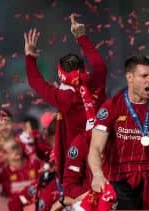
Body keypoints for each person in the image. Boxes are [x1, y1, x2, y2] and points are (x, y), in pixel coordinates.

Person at [88, 55, 149, 211]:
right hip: (120, 181)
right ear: (129, 77)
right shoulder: (112, 106)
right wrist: (98, 175)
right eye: (144, 76)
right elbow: (95, 147)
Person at [24, 14, 107, 178]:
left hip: (79, 164)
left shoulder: (63, 98)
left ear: (61, 75)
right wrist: (82, 37)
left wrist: (30, 57)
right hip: (107, 156)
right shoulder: (96, 84)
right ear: (84, 70)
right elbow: (99, 65)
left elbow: (35, 81)